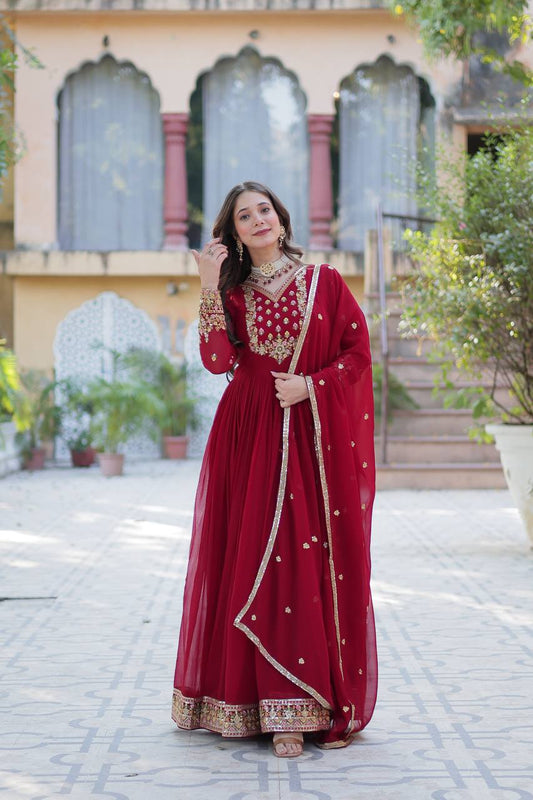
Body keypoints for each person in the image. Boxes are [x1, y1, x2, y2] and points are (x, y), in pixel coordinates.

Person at [172, 181, 377, 757]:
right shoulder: (233, 292)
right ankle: (251, 704)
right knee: (250, 557)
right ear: (233, 232)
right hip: (249, 435)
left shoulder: (326, 283)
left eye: (264, 210)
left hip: (309, 438)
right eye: (244, 215)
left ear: (281, 220)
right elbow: (217, 362)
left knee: (302, 561)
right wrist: (209, 286)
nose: (258, 220)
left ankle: (301, 703)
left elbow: (357, 356)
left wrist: (312, 386)